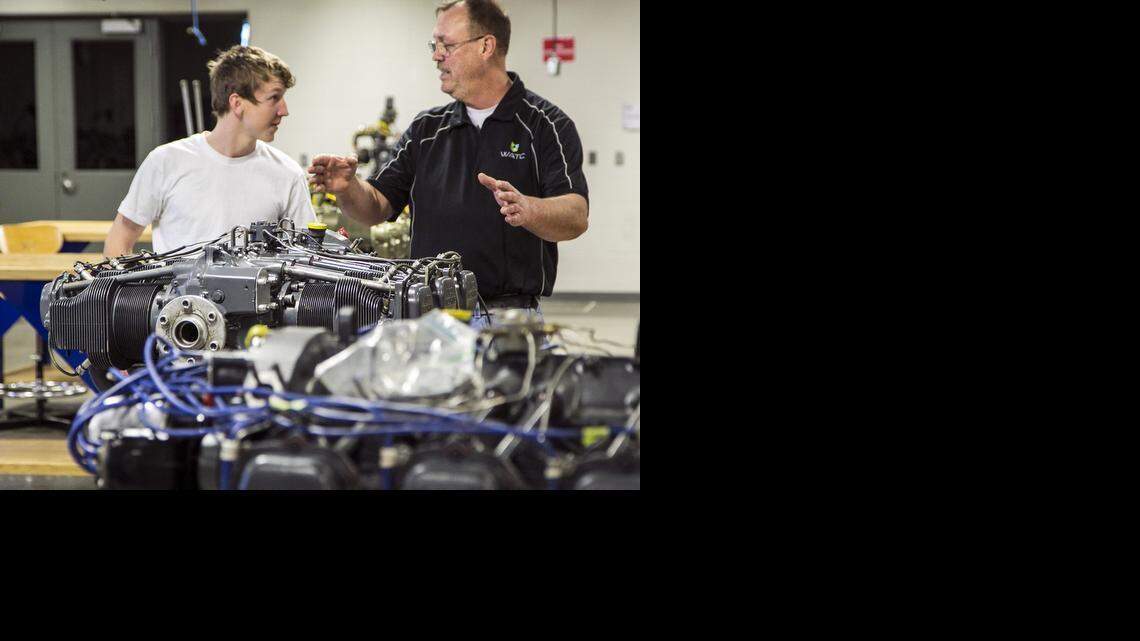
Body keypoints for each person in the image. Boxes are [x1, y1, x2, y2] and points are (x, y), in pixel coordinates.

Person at [308, 0, 588, 327]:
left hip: (507, 319)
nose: (436, 55)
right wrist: (348, 188)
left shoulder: (545, 125)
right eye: (434, 44)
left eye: (447, 44)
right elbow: (376, 207)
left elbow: (576, 215)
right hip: (427, 318)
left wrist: (530, 210)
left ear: (486, 46)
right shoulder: (426, 130)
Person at [105, 45, 316, 257]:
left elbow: (307, 257)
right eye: (274, 98)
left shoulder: (288, 174)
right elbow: (119, 241)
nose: (284, 110)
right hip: (177, 291)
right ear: (237, 103)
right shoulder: (166, 162)